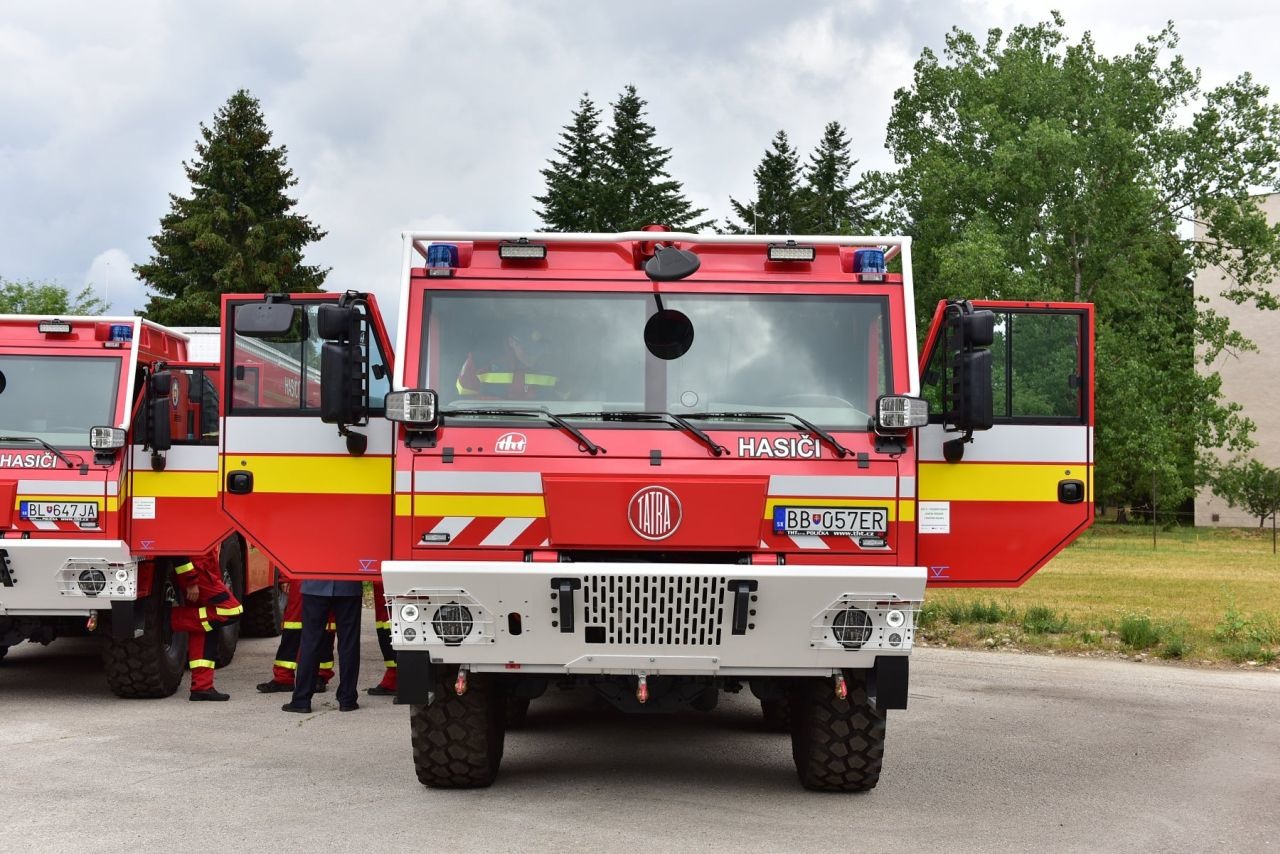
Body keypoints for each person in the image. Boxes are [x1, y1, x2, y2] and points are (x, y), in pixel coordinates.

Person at [281, 579, 363, 714]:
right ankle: (347, 699)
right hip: (349, 586)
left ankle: (301, 700)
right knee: (349, 643)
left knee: (310, 643)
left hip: (314, 585)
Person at [170, 553, 243, 701]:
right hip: (198, 570)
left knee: (203, 627)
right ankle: (171, 619)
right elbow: (178, 547)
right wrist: (190, 580)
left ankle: (202, 686)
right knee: (232, 610)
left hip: (204, 568)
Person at [255, 581, 336, 694]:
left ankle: (320, 676)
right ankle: (284, 678)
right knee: (293, 627)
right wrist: (285, 579)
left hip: (326, 579)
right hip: (300, 579)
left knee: (324, 628)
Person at [456, 326, 559, 400]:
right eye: (527, 350)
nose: (533, 357)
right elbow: (462, 400)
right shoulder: (481, 360)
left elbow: (563, 405)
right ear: (512, 342)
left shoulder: (553, 366)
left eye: (538, 351)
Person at [365, 581, 398, 700]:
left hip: (393, 577)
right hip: (382, 579)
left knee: (393, 624)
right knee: (384, 626)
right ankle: (394, 678)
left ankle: (400, 679)